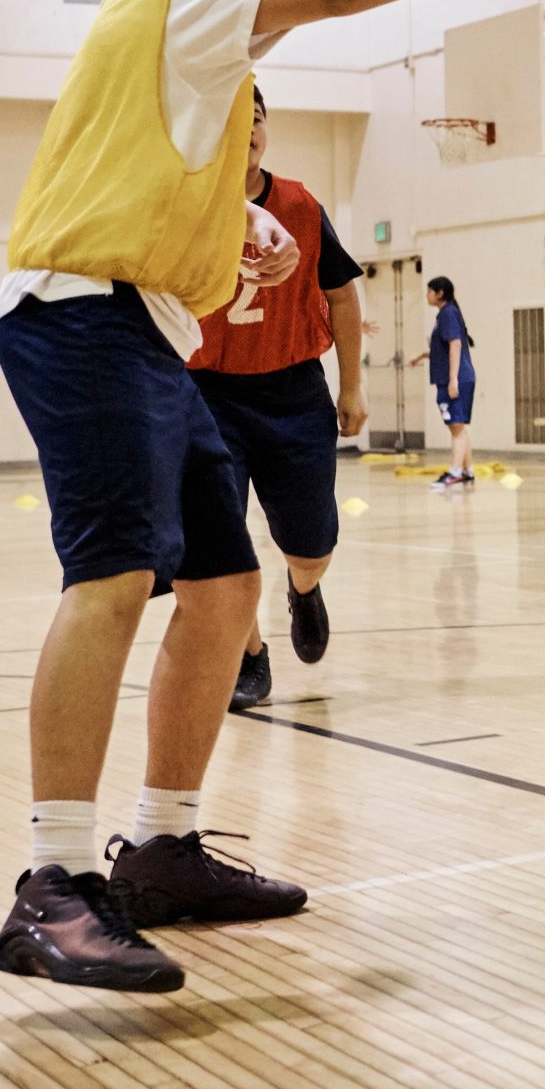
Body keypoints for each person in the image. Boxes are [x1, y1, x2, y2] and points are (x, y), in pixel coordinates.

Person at [0, 0, 545, 990]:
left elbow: (165, 179)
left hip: (144, 324)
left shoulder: (175, 45)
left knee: (225, 588)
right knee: (111, 578)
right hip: (81, 315)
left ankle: (163, 849)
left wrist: (240, 231)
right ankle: (50, 880)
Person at [187, 86, 367, 711]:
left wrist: (352, 385)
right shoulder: (186, 206)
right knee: (219, 538)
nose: (249, 130)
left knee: (311, 543)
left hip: (292, 390)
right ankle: (249, 654)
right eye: (235, 119)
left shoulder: (300, 205)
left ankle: (304, 589)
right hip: (206, 392)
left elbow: (341, 294)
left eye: (257, 118)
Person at [412, 276, 474, 489]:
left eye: (430, 291)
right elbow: (444, 350)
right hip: (454, 378)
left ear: (439, 293)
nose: (427, 295)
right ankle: (467, 471)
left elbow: (455, 345)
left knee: (456, 427)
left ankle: (455, 473)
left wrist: (453, 379)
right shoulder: (446, 314)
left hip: (455, 379)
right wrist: (422, 356)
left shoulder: (448, 313)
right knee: (459, 427)